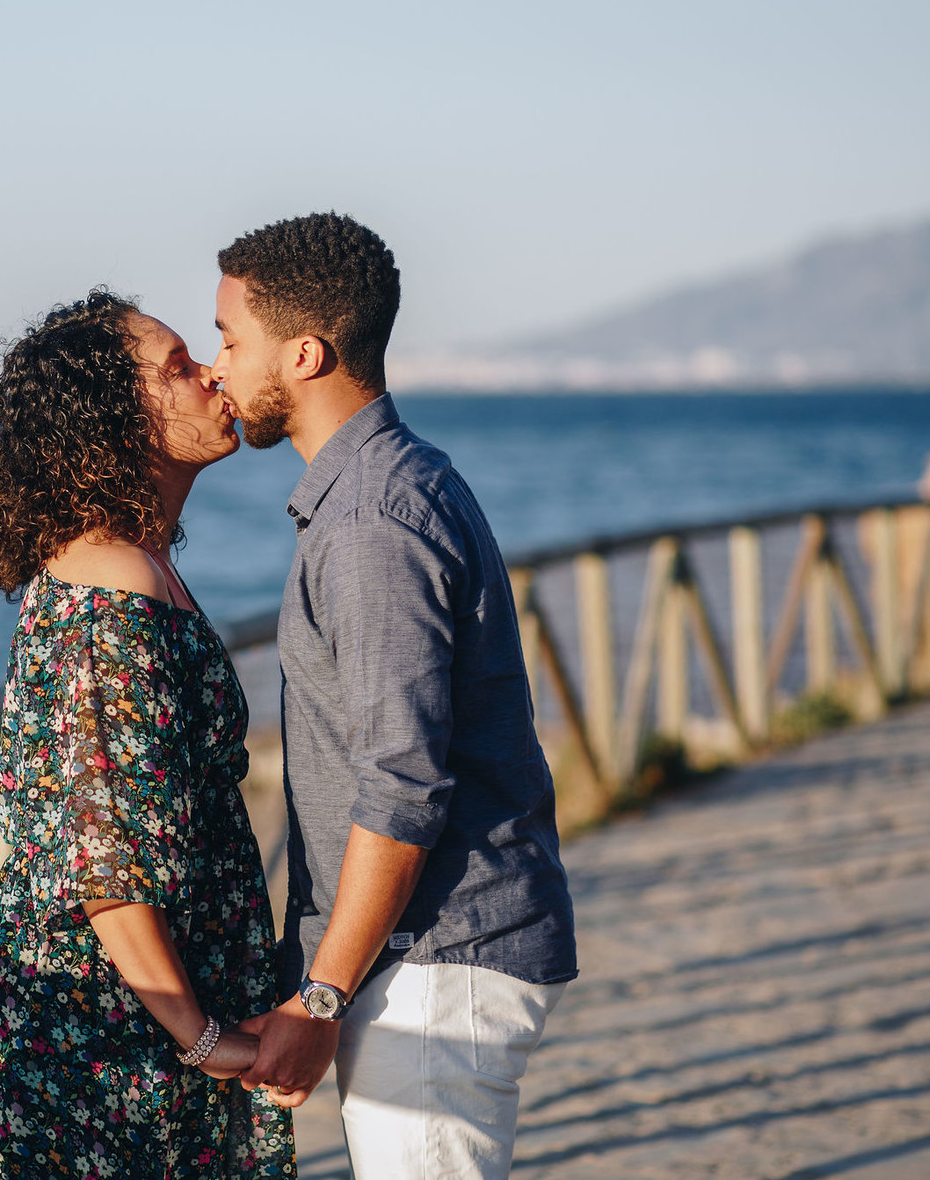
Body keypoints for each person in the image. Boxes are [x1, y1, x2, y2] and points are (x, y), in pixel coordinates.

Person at [209, 213, 578, 1180]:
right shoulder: (382, 490)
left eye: (230, 339)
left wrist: (319, 1000)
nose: (219, 367)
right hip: (422, 956)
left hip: (437, 962)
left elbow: (402, 783)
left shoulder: (374, 521)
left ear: (304, 352)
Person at [0, 291, 296, 1178]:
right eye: (175, 368)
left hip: (122, 1017)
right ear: (114, 423)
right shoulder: (114, 583)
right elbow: (107, 864)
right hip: (92, 1035)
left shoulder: (139, 560)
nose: (209, 372)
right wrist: (207, 1043)